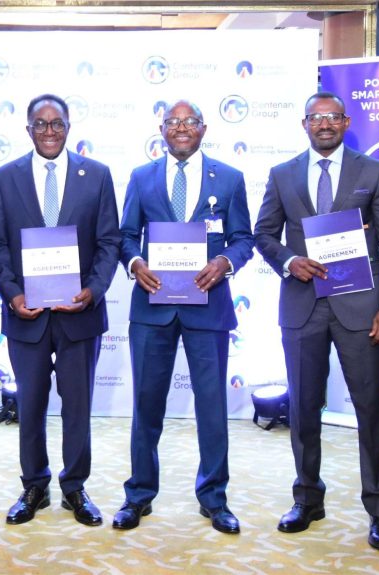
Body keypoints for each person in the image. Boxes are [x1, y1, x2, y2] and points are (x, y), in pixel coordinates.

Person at [253, 91, 379, 551]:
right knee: (302, 409)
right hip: (303, 307)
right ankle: (307, 498)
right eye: (316, 118)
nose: (324, 124)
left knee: (371, 410)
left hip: (364, 309)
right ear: (304, 124)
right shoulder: (282, 175)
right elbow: (263, 233)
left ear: (346, 122)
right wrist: (287, 261)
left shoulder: (374, 172)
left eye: (332, 117)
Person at [115, 100, 254, 533]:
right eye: (173, 122)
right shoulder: (141, 177)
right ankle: (138, 495)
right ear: (161, 128)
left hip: (208, 307)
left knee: (211, 406)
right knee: (146, 406)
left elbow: (243, 239)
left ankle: (213, 498)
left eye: (189, 121)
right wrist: (136, 264)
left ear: (203, 128)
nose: (180, 128)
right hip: (152, 308)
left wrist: (225, 264)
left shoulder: (229, 179)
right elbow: (124, 236)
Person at [0, 94, 120, 527]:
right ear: (27, 130)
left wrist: (93, 289)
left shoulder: (96, 176)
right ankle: (34, 485)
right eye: (39, 125)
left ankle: (75, 486)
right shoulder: (4, 178)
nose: (48, 132)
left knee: (78, 405)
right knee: (31, 404)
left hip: (79, 314)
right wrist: (11, 293)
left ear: (68, 127)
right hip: (26, 314)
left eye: (56, 124)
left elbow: (109, 242)